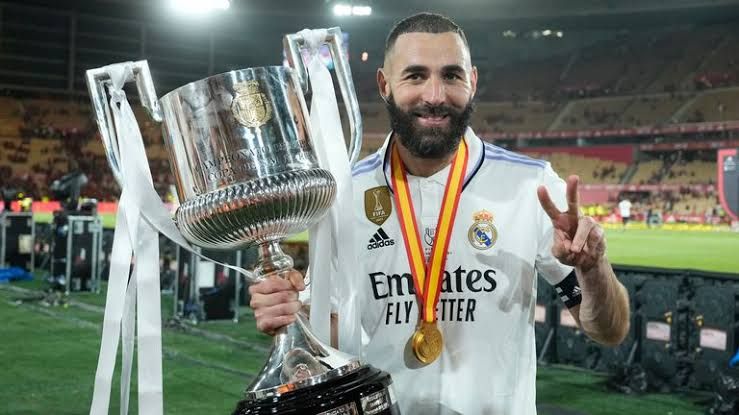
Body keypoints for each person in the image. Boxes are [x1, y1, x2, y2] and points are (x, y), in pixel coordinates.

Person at [249, 12, 631, 415]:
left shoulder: (529, 185)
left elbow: (609, 330)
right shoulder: (346, 195)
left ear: (473, 81)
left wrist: (594, 269)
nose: (435, 95)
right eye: (415, 76)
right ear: (384, 84)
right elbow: (329, 335)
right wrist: (291, 314)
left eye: (451, 75)